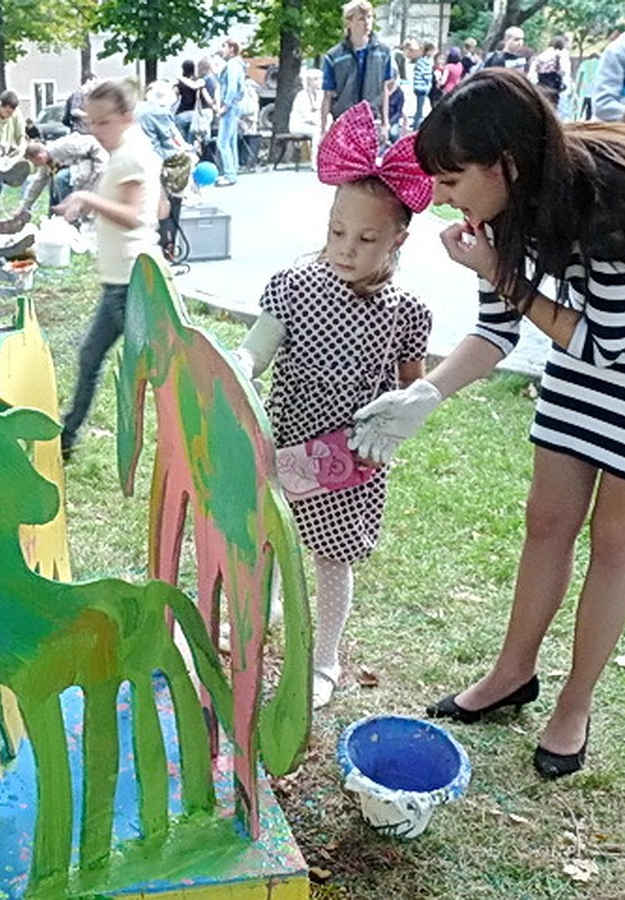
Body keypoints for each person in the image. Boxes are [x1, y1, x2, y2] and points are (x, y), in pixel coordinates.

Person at [351, 69, 625, 779]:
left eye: (450, 182)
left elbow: (603, 342)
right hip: (590, 331)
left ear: (505, 163)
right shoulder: (508, 198)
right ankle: (512, 674)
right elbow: (500, 329)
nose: (443, 201)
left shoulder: (620, 194)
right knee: (547, 520)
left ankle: (574, 705)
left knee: (615, 539)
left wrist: (500, 272)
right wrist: (428, 396)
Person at [233, 102, 433, 709]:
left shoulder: (407, 312)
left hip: (351, 464)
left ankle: (325, 659)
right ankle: (259, 615)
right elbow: (254, 353)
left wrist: (404, 412)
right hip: (285, 445)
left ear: (398, 238)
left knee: (332, 559)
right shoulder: (294, 285)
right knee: (268, 537)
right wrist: (234, 369)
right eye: (337, 231)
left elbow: (412, 389)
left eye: (368, 238)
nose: (347, 248)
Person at [53, 79, 161, 459]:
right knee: (91, 357)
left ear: (126, 118)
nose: (95, 131)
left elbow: (136, 216)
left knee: (152, 372)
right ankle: (68, 434)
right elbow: (158, 210)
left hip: (130, 281)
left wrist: (86, 199)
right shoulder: (129, 152)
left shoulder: (131, 155)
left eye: (103, 122)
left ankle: (175, 437)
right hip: (120, 280)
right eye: (91, 123)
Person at [319, 0, 396, 140]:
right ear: (349, 22)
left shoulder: (383, 52)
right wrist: (323, 129)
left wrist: (386, 123)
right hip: (344, 121)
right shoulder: (334, 56)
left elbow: (384, 89)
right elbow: (327, 95)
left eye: (369, 17)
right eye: (361, 19)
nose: (367, 23)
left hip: (371, 120)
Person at [19, 134, 108, 214]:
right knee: (53, 185)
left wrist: (100, 169)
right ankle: (55, 217)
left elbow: (92, 144)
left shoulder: (62, 147)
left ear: (39, 158)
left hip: (90, 167)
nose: (36, 166)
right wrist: (24, 207)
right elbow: (37, 184)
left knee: (61, 178)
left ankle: (68, 215)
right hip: (73, 173)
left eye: (34, 163)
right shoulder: (46, 163)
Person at [216, 38, 247, 185]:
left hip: (230, 106)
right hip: (235, 105)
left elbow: (232, 88)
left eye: (224, 46)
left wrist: (225, 106)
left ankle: (229, 174)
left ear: (231, 49)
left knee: (222, 142)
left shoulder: (232, 65)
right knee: (231, 140)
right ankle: (233, 170)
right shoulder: (238, 65)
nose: (221, 49)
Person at [410, 41, 435, 129]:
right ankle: (416, 126)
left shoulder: (424, 61)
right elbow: (426, 75)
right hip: (421, 87)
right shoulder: (423, 61)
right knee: (420, 109)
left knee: (420, 107)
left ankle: (416, 123)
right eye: (432, 51)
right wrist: (433, 75)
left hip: (422, 87)